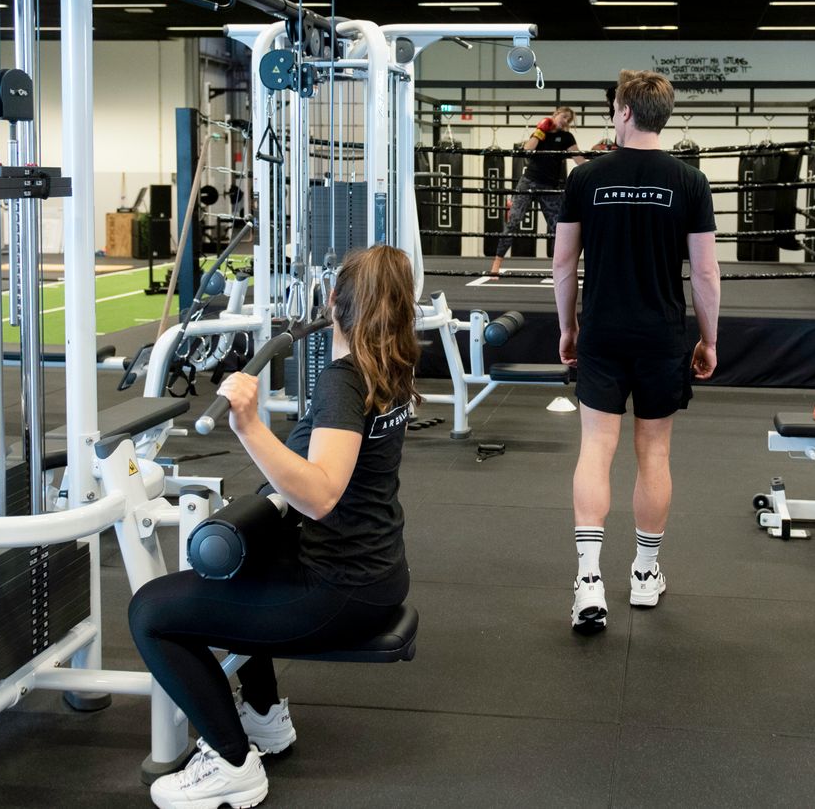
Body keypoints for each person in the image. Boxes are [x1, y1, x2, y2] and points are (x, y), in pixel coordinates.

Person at [128, 244, 419, 809]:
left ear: (332, 301)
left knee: (152, 612)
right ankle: (263, 717)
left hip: (341, 588)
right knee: (227, 574)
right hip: (374, 571)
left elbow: (320, 494)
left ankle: (232, 763)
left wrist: (247, 424)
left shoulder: (345, 379)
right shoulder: (391, 365)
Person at [554, 70, 720, 632]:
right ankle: (645, 573)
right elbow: (704, 271)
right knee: (654, 454)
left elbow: (562, 264)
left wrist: (567, 328)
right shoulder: (690, 181)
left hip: (602, 333)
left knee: (596, 450)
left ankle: (589, 580)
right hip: (660, 336)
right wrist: (709, 338)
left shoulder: (587, 178)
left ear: (624, 111)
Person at [490, 104, 581, 276]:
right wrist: (540, 131)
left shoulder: (567, 137)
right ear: (556, 114)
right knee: (513, 221)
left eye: (569, 120)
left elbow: (579, 160)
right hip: (529, 182)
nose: (565, 121)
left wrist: (599, 167)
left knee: (558, 227)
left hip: (549, 186)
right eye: (564, 117)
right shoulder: (541, 131)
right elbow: (527, 149)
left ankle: (560, 267)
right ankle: (496, 263)